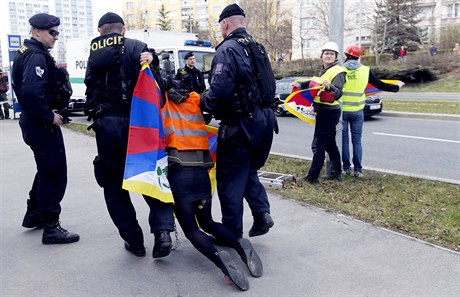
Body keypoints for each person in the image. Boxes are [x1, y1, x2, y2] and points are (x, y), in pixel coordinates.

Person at [84, 12, 174, 258]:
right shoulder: (138, 48)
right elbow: (158, 83)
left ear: (101, 32)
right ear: (123, 30)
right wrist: (152, 59)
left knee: (113, 185)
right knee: (149, 174)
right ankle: (163, 231)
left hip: (107, 127)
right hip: (140, 124)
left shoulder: (94, 54)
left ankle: (134, 241)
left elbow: (89, 90)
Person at [162, 80, 264, 290]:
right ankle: (238, 244)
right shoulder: (194, 99)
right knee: (207, 222)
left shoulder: (162, 102)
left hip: (179, 171)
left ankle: (221, 261)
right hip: (201, 173)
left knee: (192, 230)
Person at [201, 4, 276, 240]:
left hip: (241, 124)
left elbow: (220, 91)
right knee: (247, 170)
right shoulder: (258, 48)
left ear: (225, 24)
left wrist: (203, 102)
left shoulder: (228, 49)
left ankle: (232, 235)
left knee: (229, 179)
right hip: (265, 122)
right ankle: (262, 212)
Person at [11, 13, 79, 244]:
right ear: (37, 31)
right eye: (52, 32)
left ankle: (34, 214)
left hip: (33, 122)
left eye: (57, 32)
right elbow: (31, 90)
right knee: (55, 173)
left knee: (45, 169)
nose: (56, 37)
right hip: (40, 123)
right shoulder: (36, 56)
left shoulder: (28, 52)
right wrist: (48, 115)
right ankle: (51, 227)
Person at [341, 44, 403, 178]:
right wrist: (396, 87)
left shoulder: (340, 69)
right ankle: (358, 170)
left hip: (343, 111)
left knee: (344, 141)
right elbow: (379, 84)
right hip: (358, 111)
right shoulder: (365, 70)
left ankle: (346, 168)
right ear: (358, 56)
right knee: (357, 141)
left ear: (346, 55)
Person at [293, 41, 346, 183]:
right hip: (324, 111)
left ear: (336, 57)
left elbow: (338, 93)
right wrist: (300, 84)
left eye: (331, 54)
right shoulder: (326, 71)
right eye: (326, 53)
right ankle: (336, 173)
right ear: (322, 56)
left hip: (329, 112)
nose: (328, 56)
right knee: (329, 144)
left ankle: (312, 177)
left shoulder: (338, 71)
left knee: (318, 144)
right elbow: (314, 82)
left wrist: (330, 87)